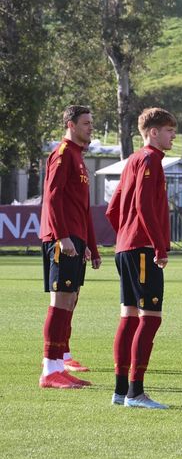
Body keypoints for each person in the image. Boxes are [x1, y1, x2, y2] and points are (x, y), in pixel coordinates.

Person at [107, 107, 177, 409]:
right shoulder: (149, 160)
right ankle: (136, 392)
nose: (173, 135)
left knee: (130, 317)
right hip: (142, 250)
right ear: (153, 132)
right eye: (169, 130)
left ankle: (121, 391)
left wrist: (125, 234)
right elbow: (144, 207)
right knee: (150, 320)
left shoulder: (134, 160)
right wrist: (158, 246)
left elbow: (113, 209)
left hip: (126, 248)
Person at [39, 105, 101, 389]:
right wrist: (62, 236)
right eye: (86, 123)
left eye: (91, 123)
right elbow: (51, 199)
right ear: (70, 124)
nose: (91, 127)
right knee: (61, 300)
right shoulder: (63, 155)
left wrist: (90, 245)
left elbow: (82, 208)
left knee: (69, 300)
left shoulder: (78, 157)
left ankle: (59, 364)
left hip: (75, 239)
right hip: (61, 238)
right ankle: (50, 370)